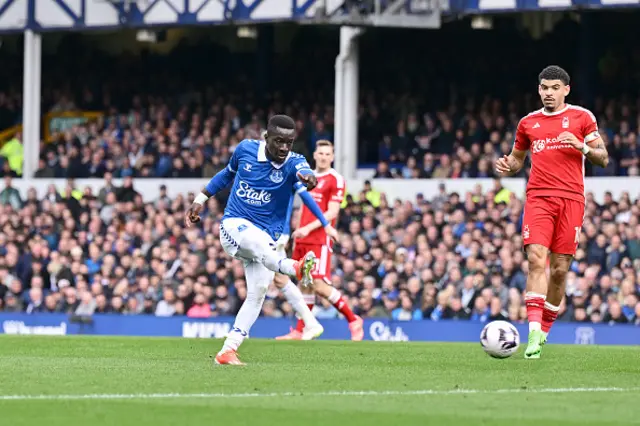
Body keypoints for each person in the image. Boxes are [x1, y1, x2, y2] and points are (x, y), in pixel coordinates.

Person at [185, 115, 338, 366]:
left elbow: (305, 171)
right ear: (267, 138)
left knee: (258, 292)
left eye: (289, 142)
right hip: (234, 227)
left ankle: (227, 350)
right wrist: (200, 200)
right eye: (279, 141)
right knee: (259, 244)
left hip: (266, 237)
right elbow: (226, 175)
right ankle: (296, 267)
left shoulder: (294, 161)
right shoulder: (245, 149)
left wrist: (310, 178)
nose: (284, 148)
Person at [495, 65, 609, 359]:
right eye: (544, 88)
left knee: (559, 271)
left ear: (566, 90)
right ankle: (531, 333)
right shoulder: (527, 123)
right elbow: (518, 159)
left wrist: (582, 146)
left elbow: (604, 158)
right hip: (538, 198)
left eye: (554, 88)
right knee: (536, 260)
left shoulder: (582, 117)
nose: (548, 93)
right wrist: (509, 165)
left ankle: (544, 332)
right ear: (539, 90)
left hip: (572, 199)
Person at [276, 140, 364, 341]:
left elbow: (332, 211)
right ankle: (300, 330)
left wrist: (308, 228)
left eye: (328, 154)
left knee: (318, 285)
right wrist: (297, 230)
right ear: (314, 155)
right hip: (301, 238)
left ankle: (353, 319)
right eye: (321, 153)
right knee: (304, 284)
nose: (324, 157)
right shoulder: (307, 176)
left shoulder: (336, 180)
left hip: (319, 239)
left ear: (332, 157)